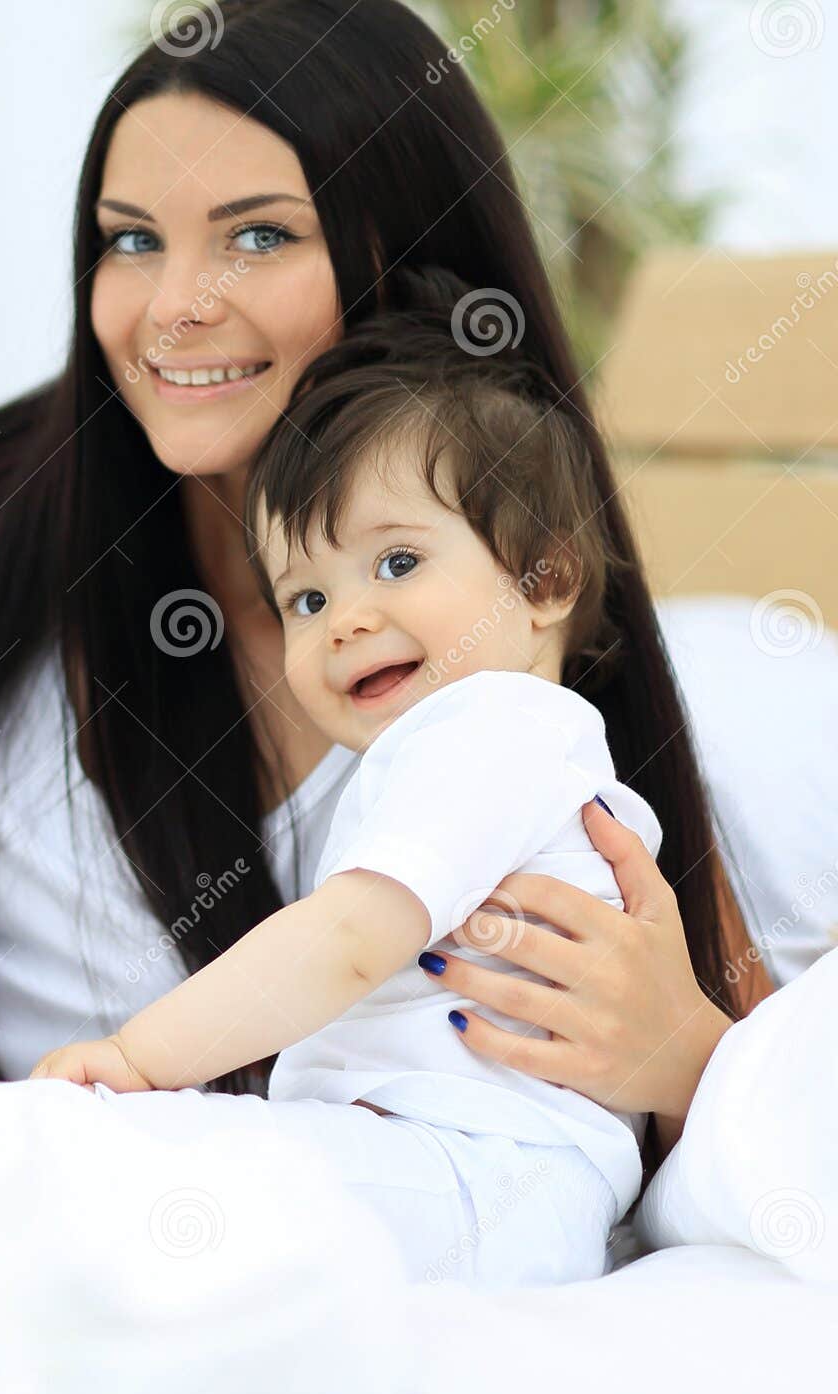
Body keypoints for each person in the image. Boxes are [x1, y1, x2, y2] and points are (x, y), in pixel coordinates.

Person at [0, 0, 769, 1231]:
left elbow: (746, 1072)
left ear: (403, 254)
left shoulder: (514, 655)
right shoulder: (10, 507)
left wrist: (678, 1056)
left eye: (256, 236)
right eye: (130, 240)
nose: (171, 306)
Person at [35, 293, 673, 1270]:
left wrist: (137, 1062)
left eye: (398, 560)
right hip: (475, 1175)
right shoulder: (491, 753)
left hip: (479, 1167)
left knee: (130, 1192)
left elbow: (344, 943)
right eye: (306, 595)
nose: (342, 619)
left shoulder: (490, 728)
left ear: (545, 579)